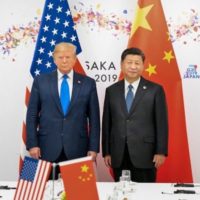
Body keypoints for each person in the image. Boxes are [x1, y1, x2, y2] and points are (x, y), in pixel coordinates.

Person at [26, 42, 100, 179]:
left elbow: (94, 119)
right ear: (54, 59)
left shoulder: (88, 83)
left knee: (78, 194)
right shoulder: (40, 81)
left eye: (68, 57)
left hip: (78, 149)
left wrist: (93, 148)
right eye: (60, 57)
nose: (64, 60)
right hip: (45, 148)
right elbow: (31, 116)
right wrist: (32, 144)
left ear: (74, 59)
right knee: (42, 194)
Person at [102, 47, 168, 182]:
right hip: (118, 154)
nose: (133, 66)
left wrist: (161, 151)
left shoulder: (155, 90)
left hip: (146, 153)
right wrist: (107, 151)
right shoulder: (111, 91)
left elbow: (161, 123)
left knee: (145, 194)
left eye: (137, 63)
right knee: (121, 193)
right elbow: (107, 123)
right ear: (122, 64)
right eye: (129, 62)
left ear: (143, 65)